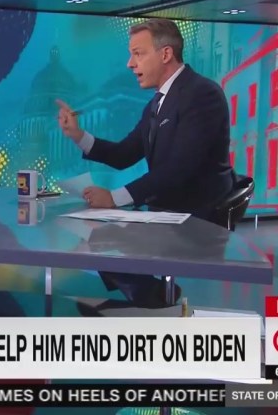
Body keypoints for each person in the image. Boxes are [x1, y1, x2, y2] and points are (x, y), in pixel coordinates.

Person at [56, 18, 234, 306]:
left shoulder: (202, 94)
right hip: (164, 212)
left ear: (165, 54)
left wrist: (114, 198)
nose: (130, 63)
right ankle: (149, 299)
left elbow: (179, 169)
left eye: (138, 54)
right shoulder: (157, 103)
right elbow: (124, 154)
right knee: (96, 233)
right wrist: (78, 135)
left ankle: (152, 300)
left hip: (196, 219)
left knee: (102, 238)